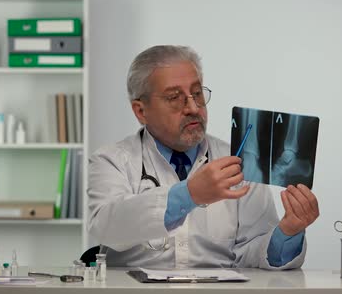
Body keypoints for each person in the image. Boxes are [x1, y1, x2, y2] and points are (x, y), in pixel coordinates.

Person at [87, 45, 319, 269]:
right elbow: (106, 228)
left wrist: (288, 231)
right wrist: (190, 194)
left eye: (197, 93)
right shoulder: (112, 160)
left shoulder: (239, 162)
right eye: (175, 97)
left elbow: (253, 253)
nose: (193, 107)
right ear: (141, 111)